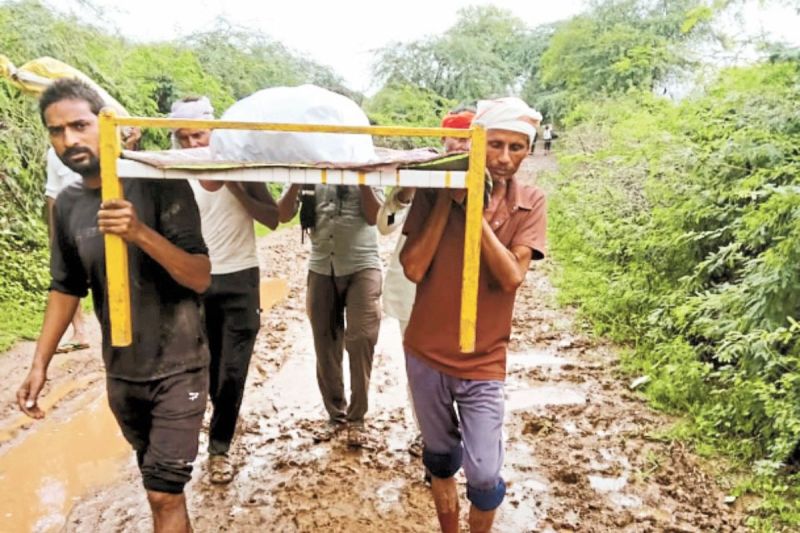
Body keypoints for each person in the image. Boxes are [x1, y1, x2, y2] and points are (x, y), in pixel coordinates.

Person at [17, 79, 211, 533]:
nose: (69, 139)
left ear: (106, 124)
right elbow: (65, 287)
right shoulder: (68, 205)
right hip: (122, 374)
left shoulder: (158, 183)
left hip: (180, 368)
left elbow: (200, 275)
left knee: (164, 493)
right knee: (157, 485)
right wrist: (39, 363)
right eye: (56, 130)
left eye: (79, 125)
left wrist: (139, 232)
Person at [400, 96, 547, 533]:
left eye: (515, 148)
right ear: (476, 144)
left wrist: (473, 215)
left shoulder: (530, 202)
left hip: (484, 359)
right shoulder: (436, 190)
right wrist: (449, 200)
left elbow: (511, 276)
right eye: (494, 144)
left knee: (484, 477)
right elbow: (413, 268)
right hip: (426, 353)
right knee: (440, 460)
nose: (503, 157)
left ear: (528, 152)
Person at [169, 96, 280, 484]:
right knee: (203, 370)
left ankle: (219, 449)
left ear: (215, 132)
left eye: (199, 135)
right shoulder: (174, 174)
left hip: (240, 278)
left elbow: (273, 218)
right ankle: (216, 418)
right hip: (192, 283)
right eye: (184, 138)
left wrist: (237, 186)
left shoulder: (242, 169)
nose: (192, 144)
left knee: (233, 370)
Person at [377, 108, 475, 460]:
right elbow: (385, 225)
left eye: (467, 139)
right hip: (413, 289)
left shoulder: (482, 176)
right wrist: (407, 190)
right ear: (443, 139)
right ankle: (428, 435)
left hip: (460, 288)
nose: (460, 145)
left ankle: (463, 433)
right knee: (419, 366)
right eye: (455, 138)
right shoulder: (420, 172)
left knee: (463, 363)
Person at [278, 179, 383, 448]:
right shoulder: (309, 169)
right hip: (321, 265)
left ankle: (357, 419)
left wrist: (362, 179)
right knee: (325, 344)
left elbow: (376, 217)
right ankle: (336, 415)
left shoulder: (367, 167)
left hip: (363, 264)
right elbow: (283, 214)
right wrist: (298, 178)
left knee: (361, 339)